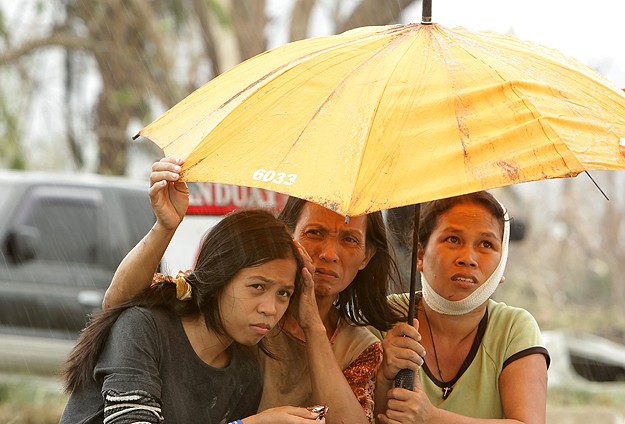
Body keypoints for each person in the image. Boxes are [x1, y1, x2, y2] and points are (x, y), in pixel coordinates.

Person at [102, 157, 404, 423]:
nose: (329, 253)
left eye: (349, 240)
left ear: (367, 255)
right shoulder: (225, 316)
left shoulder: (359, 347)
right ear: (289, 235)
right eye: (315, 233)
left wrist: (312, 325)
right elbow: (121, 305)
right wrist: (164, 227)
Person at [60, 205, 327, 423]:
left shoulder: (246, 370)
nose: (270, 308)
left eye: (283, 293)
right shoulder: (143, 328)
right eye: (257, 286)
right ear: (219, 278)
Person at [373, 191, 550, 423]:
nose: (468, 258)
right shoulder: (383, 316)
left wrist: (432, 418)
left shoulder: (513, 329)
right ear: (420, 255)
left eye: (486, 244)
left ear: (501, 268)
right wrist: (383, 375)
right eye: (453, 239)